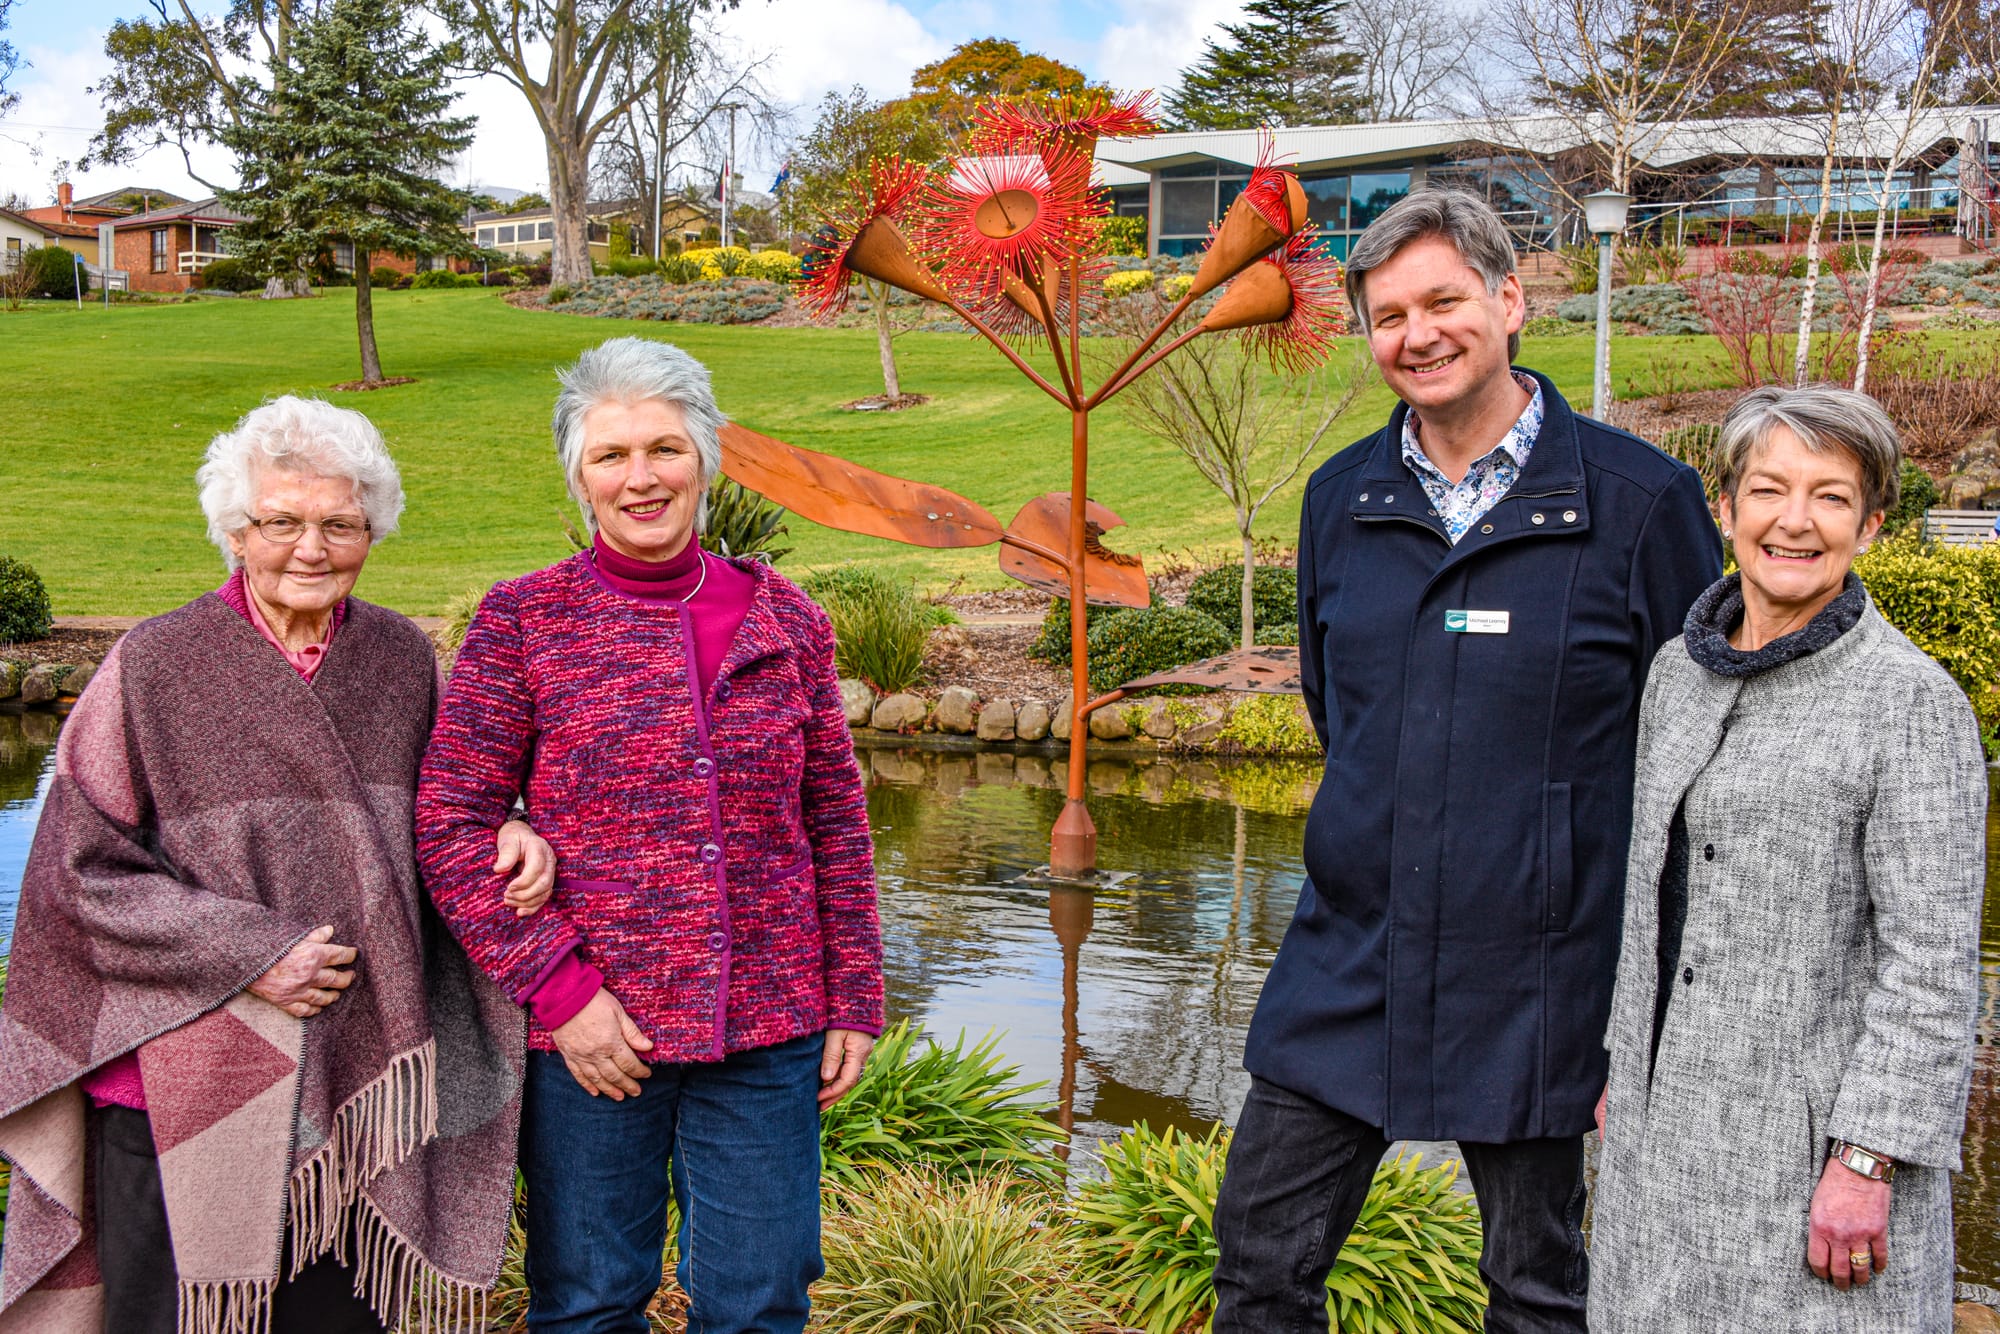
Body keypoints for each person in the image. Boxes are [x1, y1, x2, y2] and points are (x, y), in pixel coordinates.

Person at [1208, 189, 1721, 1332]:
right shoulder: (1340, 498)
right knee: (1258, 1263)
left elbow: (1687, 765)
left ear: (1507, 299)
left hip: (1543, 973)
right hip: (1352, 954)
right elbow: (1335, 709)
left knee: (1538, 1290)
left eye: (1442, 300)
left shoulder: (1641, 505)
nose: (1416, 334)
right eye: (1387, 315)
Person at [0, 396, 541, 1334]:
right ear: (235, 533)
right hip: (177, 1081)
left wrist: (513, 827)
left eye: (340, 524)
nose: (311, 547)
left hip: (361, 1080)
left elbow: (452, 805)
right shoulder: (153, 664)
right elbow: (75, 878)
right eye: (281, 523)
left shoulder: (403, 659)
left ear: (373, 532)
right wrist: (251, 952)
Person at [415, 336, 884, 1334]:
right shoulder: (523, 621)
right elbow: (452, 823)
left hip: (767, 1027)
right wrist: (560, 990)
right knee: (587, 1303)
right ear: (578, 477)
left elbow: (834, 819)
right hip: (595, 1035)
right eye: (610, 455)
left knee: (759, 1302)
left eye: (664, 448)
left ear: (707, 458)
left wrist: (852, 997)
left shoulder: (787, 619)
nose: (640, 476)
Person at [1589, 385, 1986, 1332]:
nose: (1794, 521)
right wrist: (1618, 1057)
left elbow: (1932, 964)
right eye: (1768, 490)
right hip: (1662, 1138)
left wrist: (1869, 1158)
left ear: (1873, 523)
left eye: (1832, 496)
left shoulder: (1911, 705)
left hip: (1811, 1165)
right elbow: (1650, 894)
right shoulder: (1675, 677)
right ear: (1725, 510)